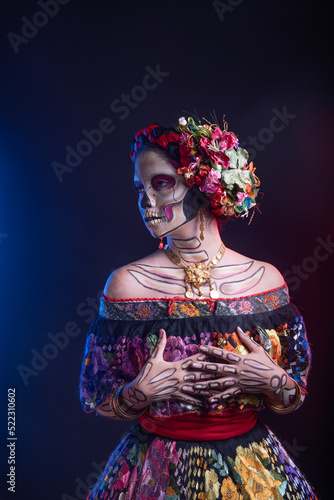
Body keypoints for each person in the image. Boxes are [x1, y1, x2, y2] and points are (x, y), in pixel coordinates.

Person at [79, 116, 317, 499]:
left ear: (205, 187)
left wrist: (271, 379)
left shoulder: (266, 280)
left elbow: (293, 397)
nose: (146, 201)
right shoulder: (125, 284)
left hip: (252, 467)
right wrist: (139, 392)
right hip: (154, 469)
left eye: (161, 184)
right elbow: (99, 399)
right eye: (140, 188)